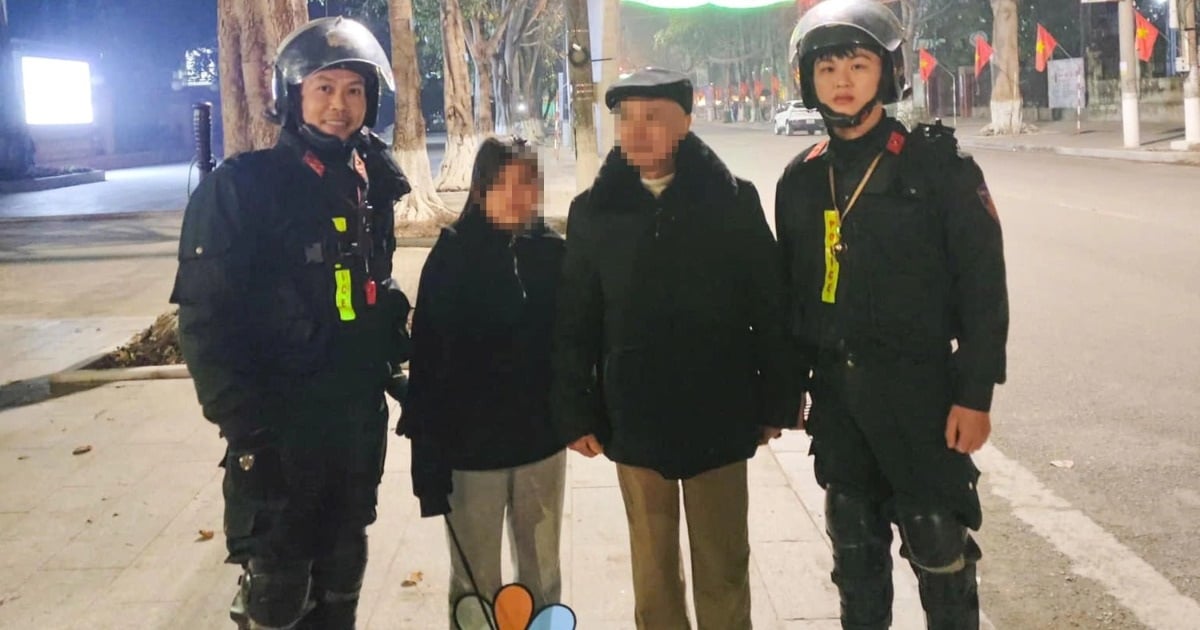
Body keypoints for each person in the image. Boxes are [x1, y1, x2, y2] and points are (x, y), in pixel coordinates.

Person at [170, 17, 412, 630]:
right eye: (324, 88)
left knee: (342, 575)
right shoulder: (243, 189)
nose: (340, 105)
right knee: (278, 593)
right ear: (293, 94)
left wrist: (395, 340)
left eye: (353, 90)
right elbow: (205, 324)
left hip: (353, 425)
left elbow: (361, 294)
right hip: (278, 434)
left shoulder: (370, 183)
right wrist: (248, 431)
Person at [775, 1, 1009, 629]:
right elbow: (794, 296)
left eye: (858, 63)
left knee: (940, 550)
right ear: (808, 79)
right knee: (854, 555)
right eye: (827, 68)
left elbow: (983, 289)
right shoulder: (800, 180)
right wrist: (784, 394)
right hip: (838, 402)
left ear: (888, 73)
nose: (842, 79)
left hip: (923, 399)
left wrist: (976, 393)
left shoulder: (937, 168)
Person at [552, 67, 799, 629]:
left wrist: (776, 403)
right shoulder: (594, 212)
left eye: (653, 117)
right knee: (653, 570)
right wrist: (576, 410)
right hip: (634, 418)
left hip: (720, 413)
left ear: (684, 123)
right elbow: (575, 324)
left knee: (724, 564)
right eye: (626, 119)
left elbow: (771, 307)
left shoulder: (733, 201)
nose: (637, 131)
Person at [399, 137, 567, 628]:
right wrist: (427, 460)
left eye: (529, 182)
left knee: (543, 576)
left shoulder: (553, 253)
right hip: (470, 456)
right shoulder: (451, 258)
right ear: (480, 189)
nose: (520, 195)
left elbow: (574, 345)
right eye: (506, 184)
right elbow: (428, 366)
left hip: (540, 446)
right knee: (475, 586)